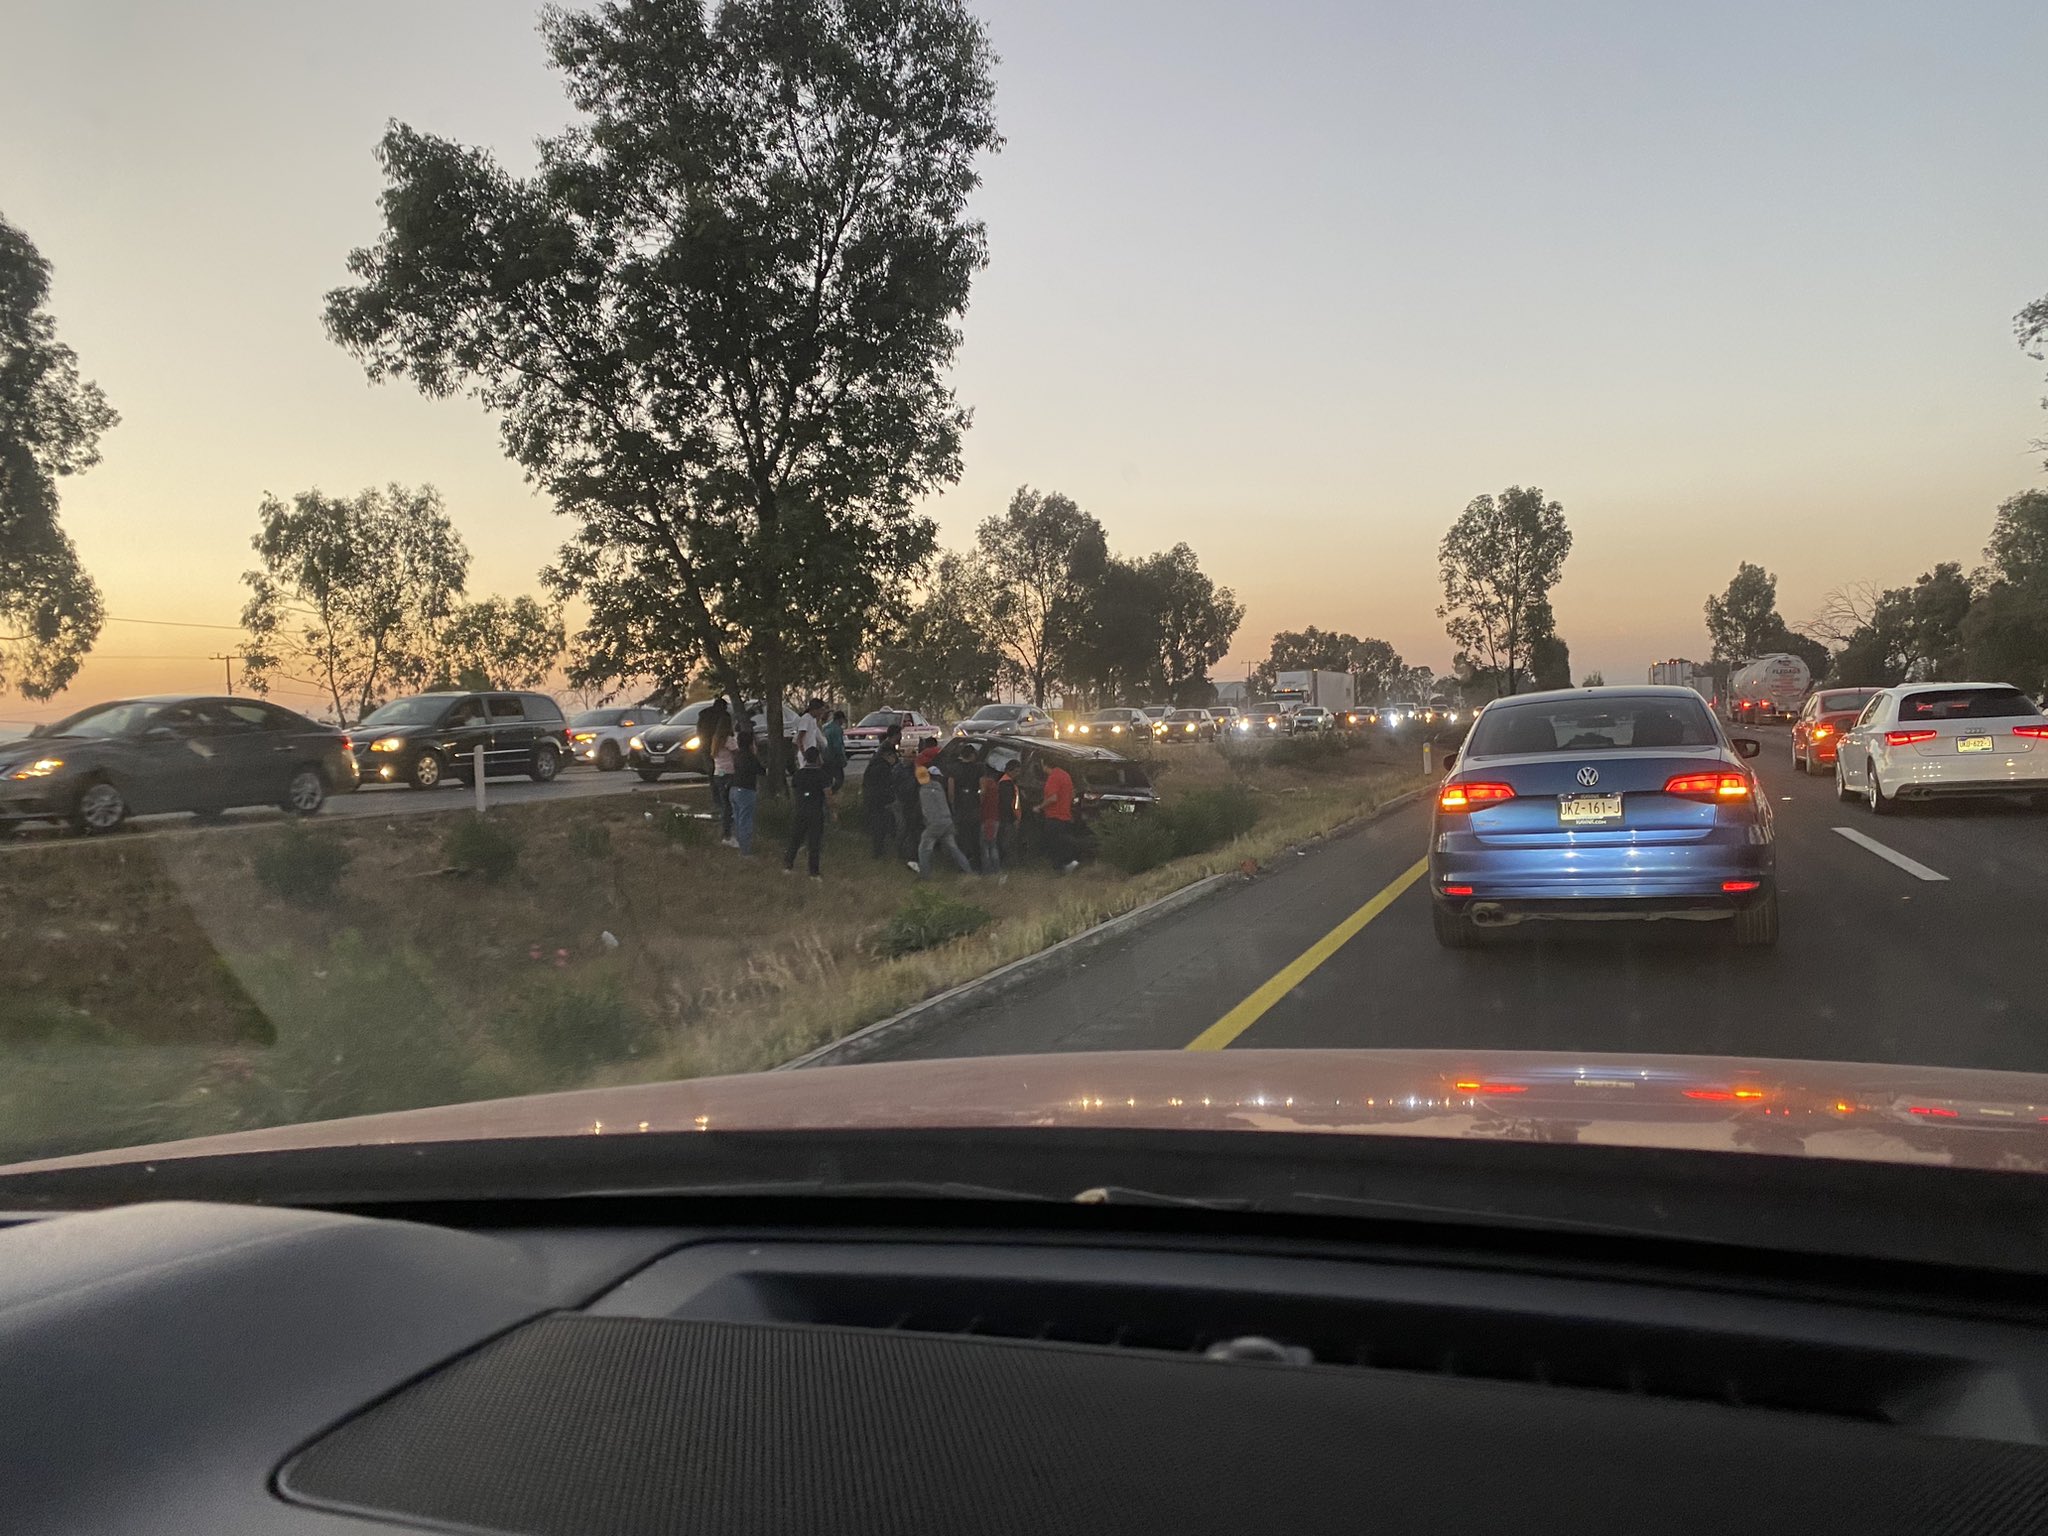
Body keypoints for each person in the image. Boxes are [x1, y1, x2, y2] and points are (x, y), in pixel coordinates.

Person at [914, 745, 976, 878]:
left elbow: (928, 810)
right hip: (947, 821)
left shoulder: (924, 791)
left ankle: (925, 875)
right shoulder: (938, 786)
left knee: (924, 848)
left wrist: (928, 823)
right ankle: (968, 871)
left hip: (935, 824)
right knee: (954, 849)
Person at [783, 744, 832, 880]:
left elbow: (794, 792)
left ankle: (788, 864)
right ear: (817, 759)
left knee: (796, 838)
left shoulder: (798, 774)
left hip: (800, 809)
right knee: (814, 841)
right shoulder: (822, 775)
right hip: (815, 810)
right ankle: (813, 871)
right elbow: (828, 794)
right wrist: (833, 809)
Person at [863, 731, 900, 859]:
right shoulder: (883, 768)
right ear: (887, 755)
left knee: (880, 825)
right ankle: (878, 852)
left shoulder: (875, 764)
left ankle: (880, 849)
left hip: (873, 798)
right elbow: (885, 784)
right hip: (879, 800)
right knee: (880, 826)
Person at [705, 698, 736, 846]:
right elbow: (737, 754)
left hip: (719, 773)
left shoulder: (715, 740)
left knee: (724, 804)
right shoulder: (729, 740)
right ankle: (729, 833)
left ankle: (726, 833)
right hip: (729, 773)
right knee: (730, 805)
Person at [1040, 756, 1079, 872]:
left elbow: (1053, 798)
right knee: (1063, 843)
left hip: (1054, 816)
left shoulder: (1053, 777)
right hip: (1065, 815)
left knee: (1054, 844)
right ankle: (1068, 864)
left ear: (1045, 765)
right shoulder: (1065, 775)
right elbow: (1072, 795)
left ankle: (1059, 868)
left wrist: (1040, 806)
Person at [728, 722, 762, 856]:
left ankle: (739, 844)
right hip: (746, 790)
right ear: (750, 744)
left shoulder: (737, 756)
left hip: (734, 789)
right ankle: (745, 851)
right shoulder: (750, 757)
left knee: (737, 819)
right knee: (745, 820)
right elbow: (760, 770)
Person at [894, 738, 925, 863]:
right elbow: (895, 785)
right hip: (902, 801)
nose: (909, 759)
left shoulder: (918, 769)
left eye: (912, 757)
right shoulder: (898, 769)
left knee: (914, 829)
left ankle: (912, 853)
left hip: (915, 802)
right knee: (903, 828)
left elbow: (924, 783)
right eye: (907, 757)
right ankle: (900, 851)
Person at [793, 697, 827, 765]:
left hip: (812, 753)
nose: (821, 713)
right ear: (815, 709)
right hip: (806, 753)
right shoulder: (806, 719)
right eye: (820, 710)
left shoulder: (813, 720)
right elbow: (799, 739)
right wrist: (804, 754)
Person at [823, 709, 848, 793]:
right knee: (840, 778)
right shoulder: (837, 729)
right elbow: (838, 746)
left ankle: (827, 794)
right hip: (835, 757)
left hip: (825, 756)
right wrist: (843, 759)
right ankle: (832, 792)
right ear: (840, 719)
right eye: (842, 720)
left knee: (828, 778)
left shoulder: (825, 727)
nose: (843, 722)